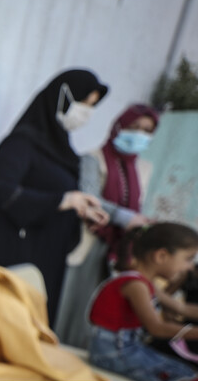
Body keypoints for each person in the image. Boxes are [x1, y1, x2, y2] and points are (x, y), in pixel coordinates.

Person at [0, 69, 111, 321]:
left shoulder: (63, 152)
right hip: (7, 257)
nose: (87, 112)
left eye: (91, 106)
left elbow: (53, 194)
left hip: (43, 259)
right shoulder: (20, 144)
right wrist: (63, 200)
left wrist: (81, 210)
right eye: (84, 103)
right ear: (62, 97)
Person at [87, 223, 198, 381]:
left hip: (126, 349)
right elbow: (156, 328)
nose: (189, 268)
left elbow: (178, 310)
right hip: (113, 354)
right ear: (161, 256)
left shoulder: (145, 282)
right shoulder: (135, 284)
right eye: (188, 259)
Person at [55, 104, 161, 347]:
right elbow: (90, 197)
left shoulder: (144, 168)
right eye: (134, 127)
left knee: (95, 307)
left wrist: (140, 221)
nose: (139, 134)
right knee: (70, 303)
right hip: (89, 239)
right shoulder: (92, 158)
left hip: (118, 247)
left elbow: (136, 204)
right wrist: (127, 218)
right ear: (118, 126)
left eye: (147, 131)